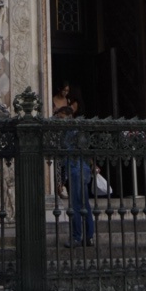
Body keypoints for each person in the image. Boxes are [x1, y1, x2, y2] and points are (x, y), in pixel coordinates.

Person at [63, 97, 94, 248]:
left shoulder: (70, 131)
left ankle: (77, 237)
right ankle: (89, 236)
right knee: (85, 203)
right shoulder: (80, 130)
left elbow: (68, 153)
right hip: (84, 169)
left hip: (76, 170)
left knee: (76, 204)